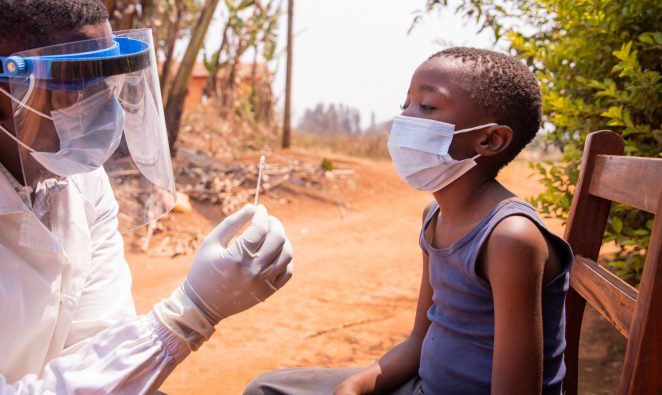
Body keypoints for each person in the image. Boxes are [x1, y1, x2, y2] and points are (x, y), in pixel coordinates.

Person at [0, 0, 293, 394]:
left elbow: (99, 353)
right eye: (78, 86)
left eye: (108, 83)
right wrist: (192, 312)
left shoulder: (77, 179)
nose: (105, 107)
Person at [245, 48, 573, 395]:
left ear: (490, 139)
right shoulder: (434, 217)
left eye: (427, 107)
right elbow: (419, 339)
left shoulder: (509, 238)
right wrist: (354, 386)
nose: (406, 119)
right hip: (423, 385)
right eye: (407, 105)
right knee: (265, 389)